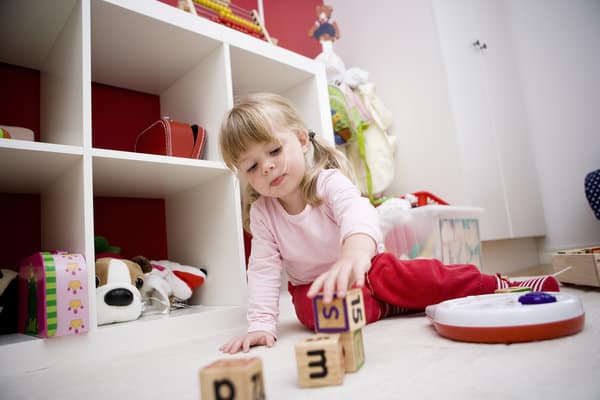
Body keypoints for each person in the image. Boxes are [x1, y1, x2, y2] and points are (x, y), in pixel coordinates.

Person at [218, 93, 559, 354]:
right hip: (316, 286)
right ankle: (385, 304)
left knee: (425, 277)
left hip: (369, 266)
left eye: (274, 151)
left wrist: (354, 255)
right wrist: (261, 324)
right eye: (251, 166)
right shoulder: (263, 213)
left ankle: (496, 284)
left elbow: (358, 212)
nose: (266, 167)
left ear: (301, 141)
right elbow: (262, 269)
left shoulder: (327, 183)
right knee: (314, 315)